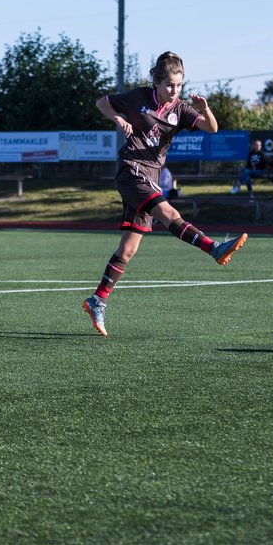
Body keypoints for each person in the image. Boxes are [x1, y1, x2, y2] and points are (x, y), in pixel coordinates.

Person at [82, 51, 248, 337]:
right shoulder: (138, 97)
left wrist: (205, 109)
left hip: (152, 176)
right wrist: (118, 119)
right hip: (131, 170)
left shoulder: (181, 109)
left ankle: (97, 300)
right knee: (169, 213)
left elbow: (212, 128)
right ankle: (214, 248)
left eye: (179, 85)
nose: (174, 91)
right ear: (156, 82)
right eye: (170, 85)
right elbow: (102, 102)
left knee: (129, 249)